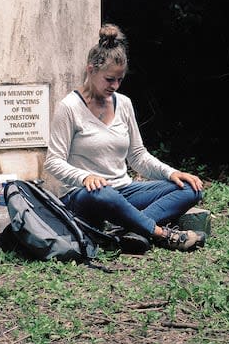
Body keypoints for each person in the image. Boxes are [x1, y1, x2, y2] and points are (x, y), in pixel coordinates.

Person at [44, 24, 206, 251]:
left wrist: (172, 173)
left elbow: (138, 156)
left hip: (124, 191)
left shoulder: (124, 104)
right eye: (110, 79)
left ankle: (130, 230)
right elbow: (53, 161)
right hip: (86, 195)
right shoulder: (69, 107)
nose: (115, 85)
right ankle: (161, 234)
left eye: (120, 79)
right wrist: (84, 178)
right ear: (91, 70)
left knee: (191, 188)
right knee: (104, 194)